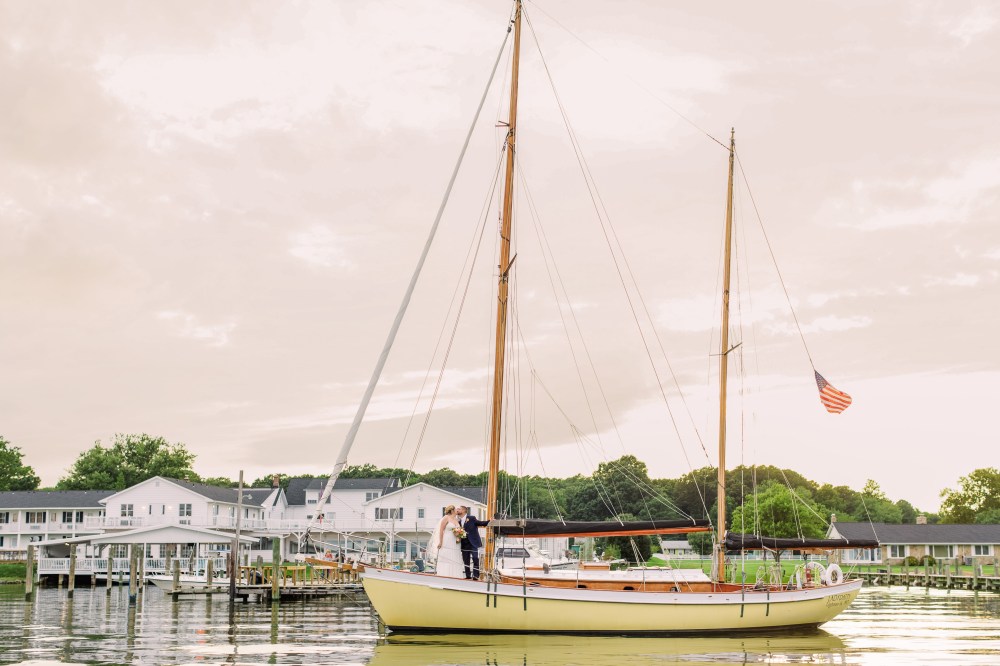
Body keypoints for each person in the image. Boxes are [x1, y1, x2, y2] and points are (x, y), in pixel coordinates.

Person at [428, 505, 465, 578]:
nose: (456, 511)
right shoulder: (446, 518)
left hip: (455, 542)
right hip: (447, 540)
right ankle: (445, 575)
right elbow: (441, 530)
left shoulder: (456, 520)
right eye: (455, 510)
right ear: (451, 511)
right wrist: (440, 542)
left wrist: (460, 535)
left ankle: (455, 576)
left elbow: (459, 531)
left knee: (455, 557)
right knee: (447, 556)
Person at [455, 505, 489, 580]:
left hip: (473, 542)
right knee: (466, 560)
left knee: (475, 558)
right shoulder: (458, 521)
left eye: (459, 509)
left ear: (464, 510)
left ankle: (476, 576)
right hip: (464, 543)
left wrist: (490, 521)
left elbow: (481, 523)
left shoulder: (471, 518)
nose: (457, 510)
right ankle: (467, 576)